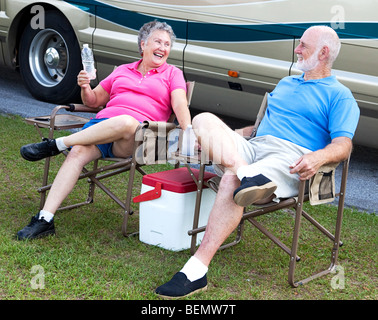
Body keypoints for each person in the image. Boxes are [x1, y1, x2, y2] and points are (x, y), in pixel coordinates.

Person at [154, 25, 360, 298]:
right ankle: (248, 174)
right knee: (203, 119)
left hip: (289, 158)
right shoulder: (286, 83)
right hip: (252, 150)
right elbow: (257, 130)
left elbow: (344, 145)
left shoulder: (340, 95)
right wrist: (220, 137)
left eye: (303, 46)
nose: (297, 50)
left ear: (323, 53)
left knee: (231, 178)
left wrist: (317, 156)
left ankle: (195, 271)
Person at [17, 20, 191, 240]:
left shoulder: (172, 74)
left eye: (167, 44)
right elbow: (94, 101)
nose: (163, 48)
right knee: (78, 153)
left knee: (127, 122)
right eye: (158, 41)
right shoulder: (122, 71)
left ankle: (56, 144)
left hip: (141, 138)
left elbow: (180, 104)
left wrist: (189, 131)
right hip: (100, 129)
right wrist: (84, 86)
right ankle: (45, 219)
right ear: (143, 44)